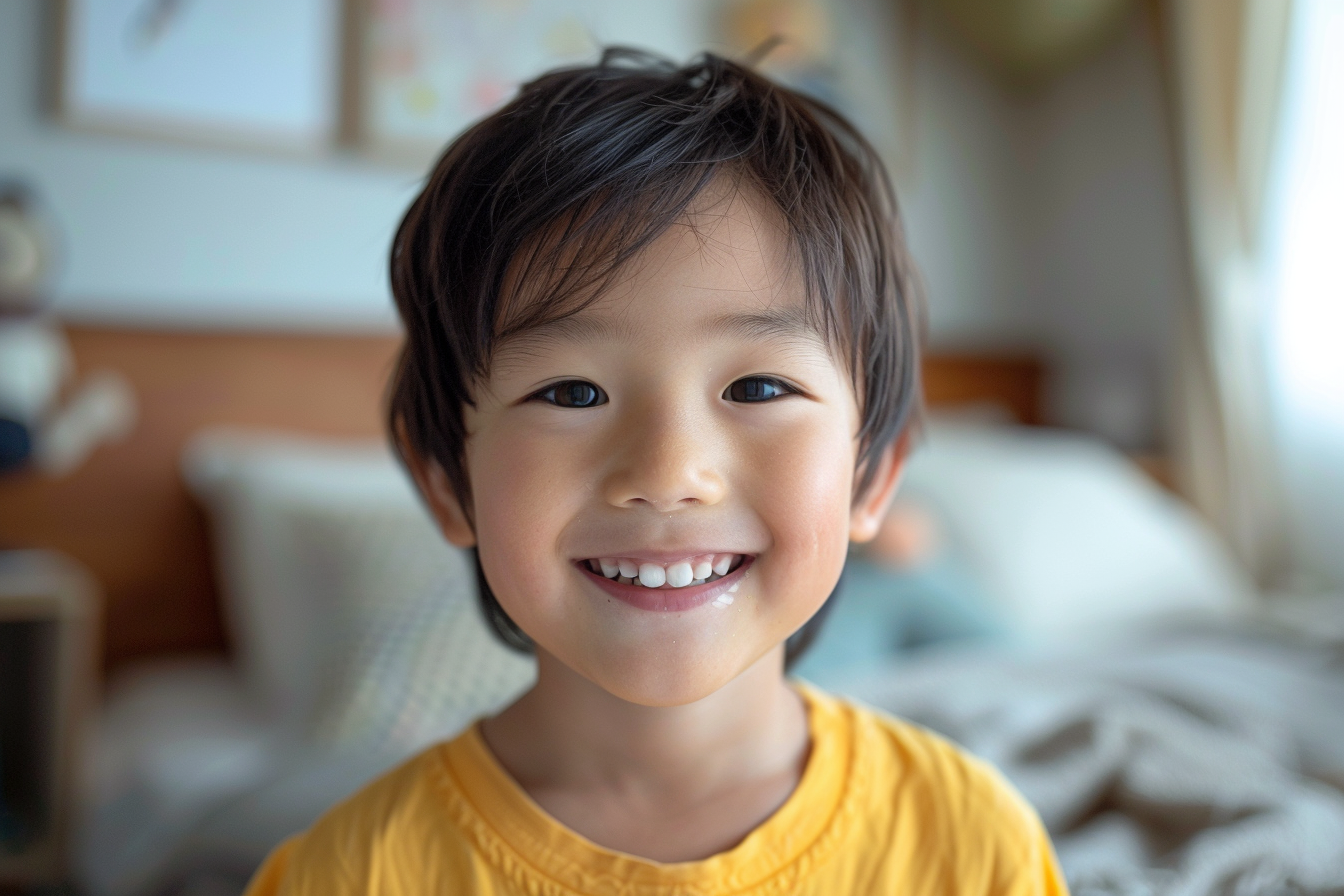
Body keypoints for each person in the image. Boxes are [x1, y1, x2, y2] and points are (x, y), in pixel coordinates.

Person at [244, 49, 1067, 895]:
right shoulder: (351, 875)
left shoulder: (971, 847)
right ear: (448, 483)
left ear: (872, 477)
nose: (669, 473)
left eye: (756, 386)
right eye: (571, 391)